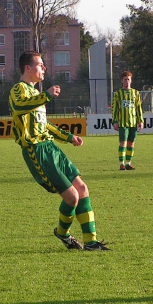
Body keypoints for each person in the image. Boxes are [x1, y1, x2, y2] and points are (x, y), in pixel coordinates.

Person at [9, 51, 109, 251]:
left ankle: (91, 242)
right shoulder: (18, 89)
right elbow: (19, 106)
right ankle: (63, 233)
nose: (44, 68)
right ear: (28, 68)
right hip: (36, 151)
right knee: (71, 197)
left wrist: (68, 137)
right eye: (40, 64)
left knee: (82, 189)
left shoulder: (37, 95)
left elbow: (44, 125)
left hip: (51, 148)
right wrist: (46, 95)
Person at [111, 71, 144, 170]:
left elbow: (138, 108)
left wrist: (140, 121)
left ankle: (128, 163)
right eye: (125, 79)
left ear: (131, 80)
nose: (127, 81)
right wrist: (114, 121)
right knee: (123, 143)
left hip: (133, 123)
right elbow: (114, 108)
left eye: (128, 79)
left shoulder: (135, 93)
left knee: (131, 143)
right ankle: (121, 163)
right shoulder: (118, 94)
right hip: (122, 123)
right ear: (122, 81)